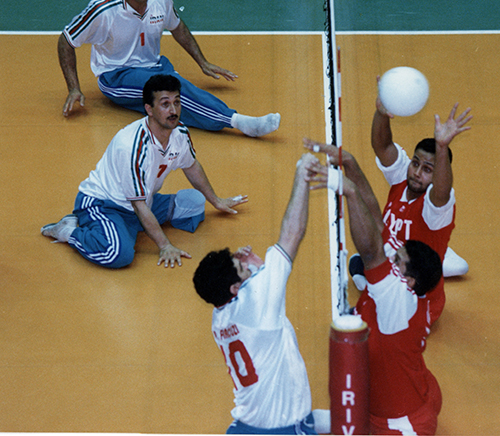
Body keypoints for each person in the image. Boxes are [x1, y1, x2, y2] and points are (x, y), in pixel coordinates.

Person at [59, 0, 280, 138]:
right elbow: (66, 40)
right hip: (116, 76)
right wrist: (74, 88)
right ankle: (238, 121)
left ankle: (212, 115)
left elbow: (177, 26)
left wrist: (202, 62)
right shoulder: (103, 10)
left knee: (171, 95)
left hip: (155, 66)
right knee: (171, 90)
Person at [41, 74, 247, 269]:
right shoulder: (132, 145)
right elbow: (137, 205)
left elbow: (191, 165)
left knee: (194, 202)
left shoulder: (180, 133)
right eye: (165, 104)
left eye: (176, 102)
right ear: (149, 109)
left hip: (142, 201)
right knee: (118, 254)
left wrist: (216, 201)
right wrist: (165, 245)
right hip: (104, 203)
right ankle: (68, 230)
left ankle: (128, 229)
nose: (173, 110)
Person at [192, 152, 329, 435]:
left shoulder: (220, 318)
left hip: (244, 425)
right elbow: (292, 234)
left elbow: (260, 301)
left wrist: (253, 267)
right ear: (234, 288)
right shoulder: (255, 301)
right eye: (238, 266)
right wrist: (302, 174)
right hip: (284, 428)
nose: (241, 260)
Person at [304, 95, 471, 323]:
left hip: (415, 304)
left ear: (437, 175)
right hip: (393, 255)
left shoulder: (436, 208)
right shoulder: (405, 178)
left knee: (360, 273)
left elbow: (442, 191)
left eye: (427, 170)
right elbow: (382, 146)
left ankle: (439, 258)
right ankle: (442, 257)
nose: (417, 172)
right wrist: (382, 113)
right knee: (366, 249)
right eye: (416, 164)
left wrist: (442, 147)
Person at [307, 155, 443, 435]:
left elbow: (370, 251)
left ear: (408, 281)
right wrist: (350, 163)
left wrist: (349, 190)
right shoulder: (403, 282)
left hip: (399, 424)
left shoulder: (398, 300)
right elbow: (377, 224)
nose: (389, 260)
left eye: (397, 262)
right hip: (413, 390)